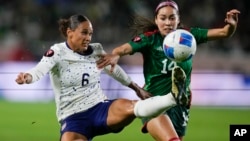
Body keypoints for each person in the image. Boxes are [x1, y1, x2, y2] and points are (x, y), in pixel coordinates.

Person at [15, 14, 188, 141]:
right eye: (84, 33)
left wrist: (136, 88)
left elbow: (113, 69)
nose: (88, 38)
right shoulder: (57, 52)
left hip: (100, 109)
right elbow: (40, 70)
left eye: (90, 34)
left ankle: (173, 97)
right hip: (73, 119)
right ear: (70, 32)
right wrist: (27, 77)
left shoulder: (96, 50)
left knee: (132, 107)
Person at [96, 0, 240, 141]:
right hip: (154, 101)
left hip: (180, 103)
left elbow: (224, 32)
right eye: (163, 18)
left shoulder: (188, 36)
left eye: (172, 18)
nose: (167, 22)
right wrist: (116, 54)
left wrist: (231, 25)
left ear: (178, 19)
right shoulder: (150, 39)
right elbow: (122, 49)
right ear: (156, 20)